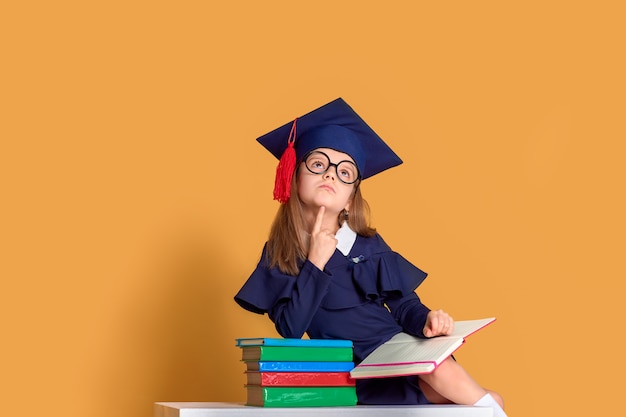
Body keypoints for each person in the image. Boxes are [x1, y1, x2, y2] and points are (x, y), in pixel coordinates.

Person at [234, 98, 507, 416]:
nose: (331, 175)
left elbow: (405, 306)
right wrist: (316, 264)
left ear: (350, 199)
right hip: (357, 375)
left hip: (402, 356)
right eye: (318, 165)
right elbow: (290, 328)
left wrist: (428, 322)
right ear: (294, 179)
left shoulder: (365, 243)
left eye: (345, 171)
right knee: (483, 402)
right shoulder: (280, 253)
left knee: (484, 397)